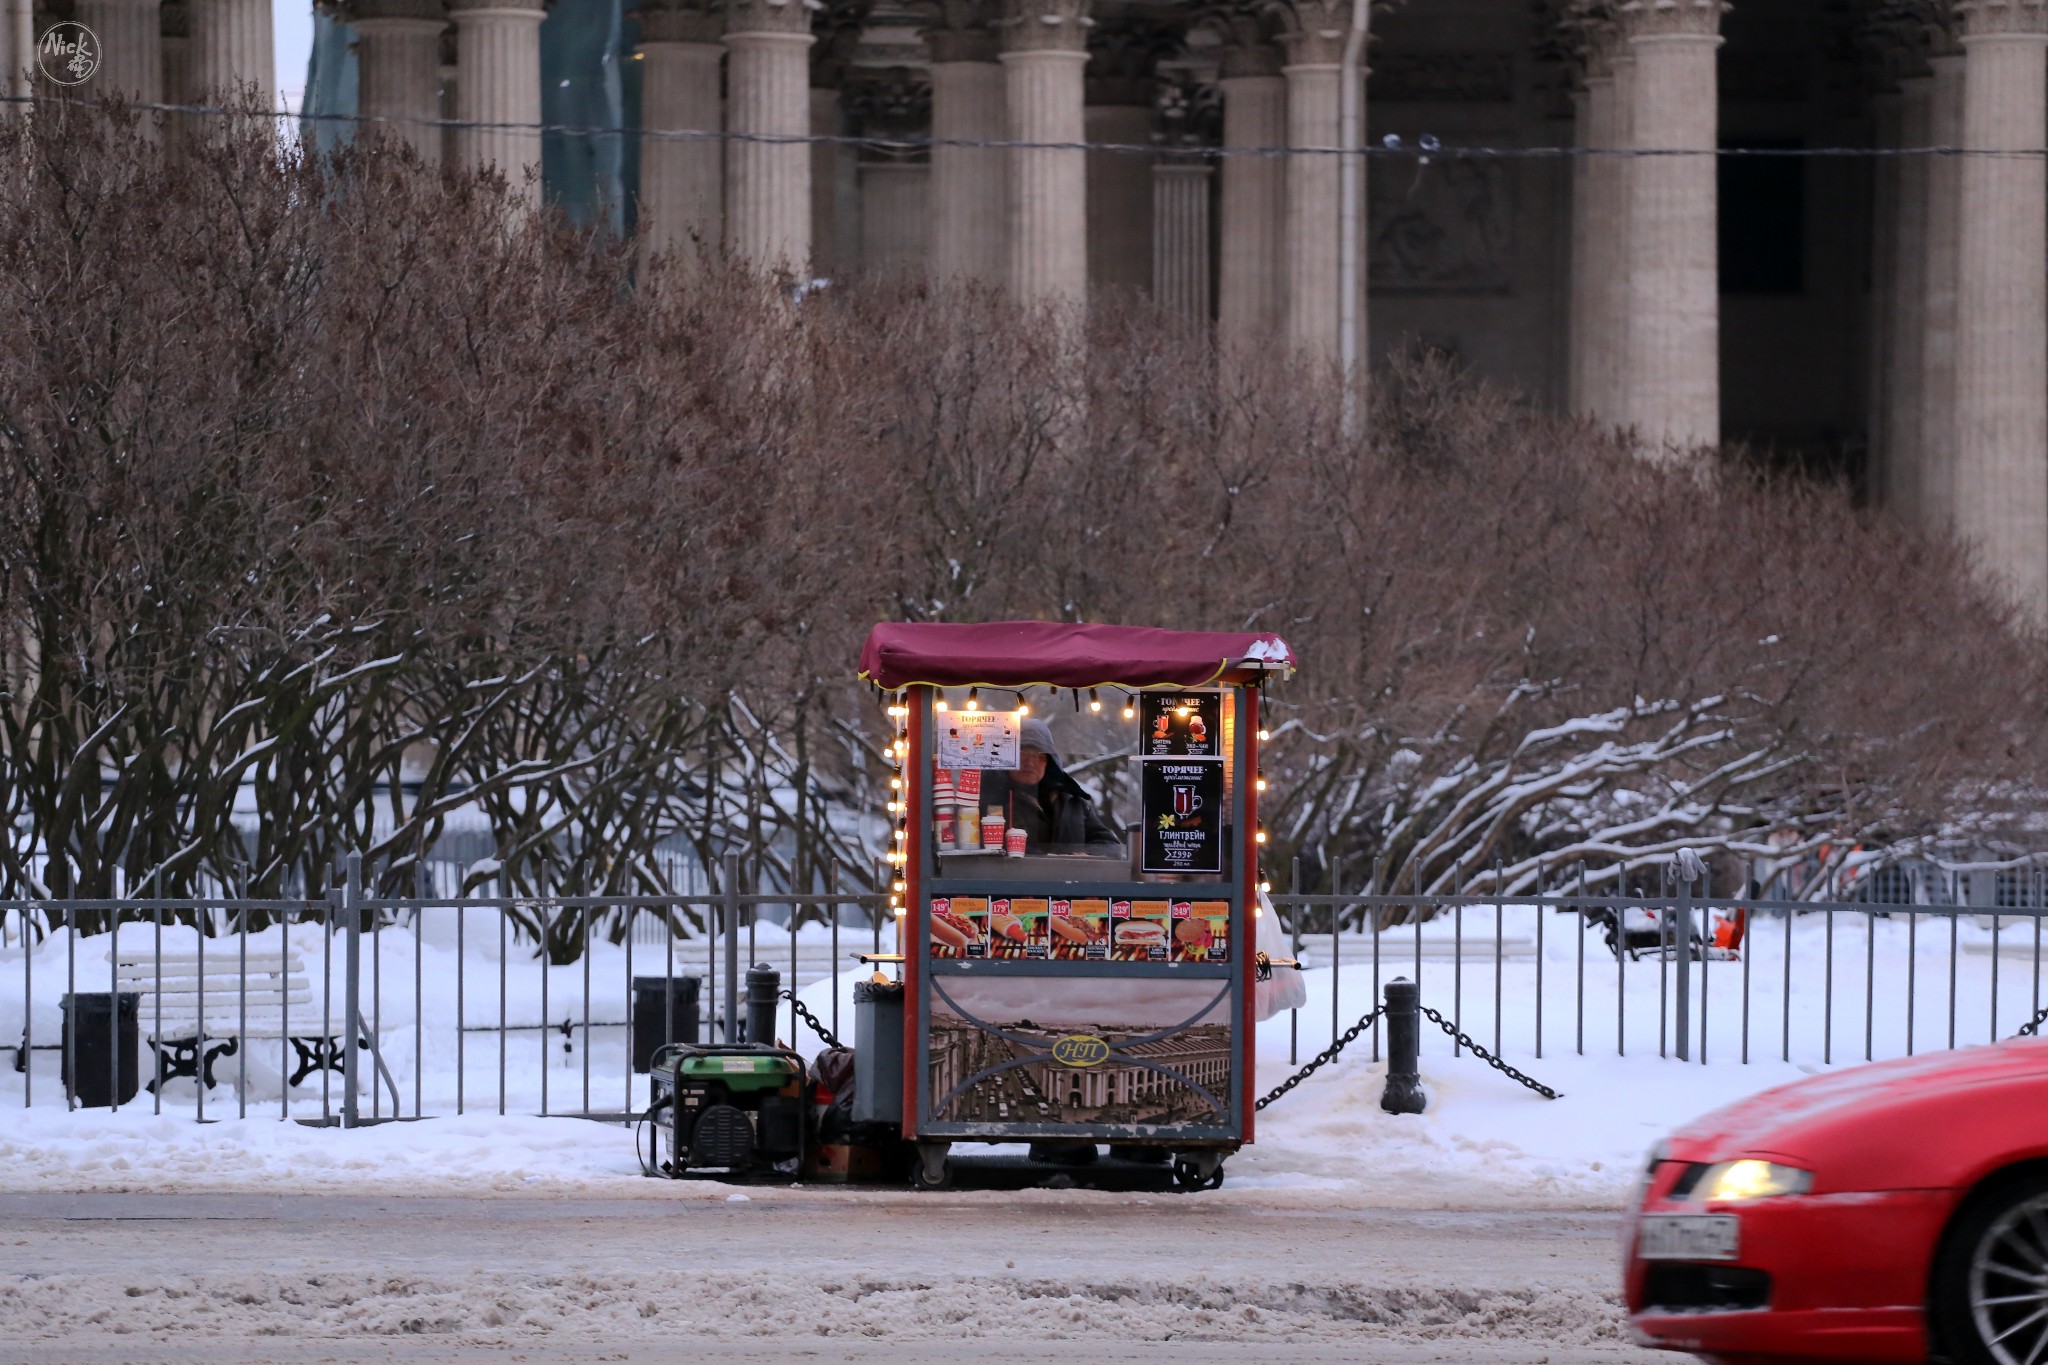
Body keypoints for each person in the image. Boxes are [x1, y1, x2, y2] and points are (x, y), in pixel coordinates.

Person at [984, 718, 1123, 854]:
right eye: (1022, 753)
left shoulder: (1072, 803)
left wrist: (1083, 854)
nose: (1030, 762)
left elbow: (1111, 846)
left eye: (1040, 756)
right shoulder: (990, 802)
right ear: (1007, 757)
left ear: (1049, 762)